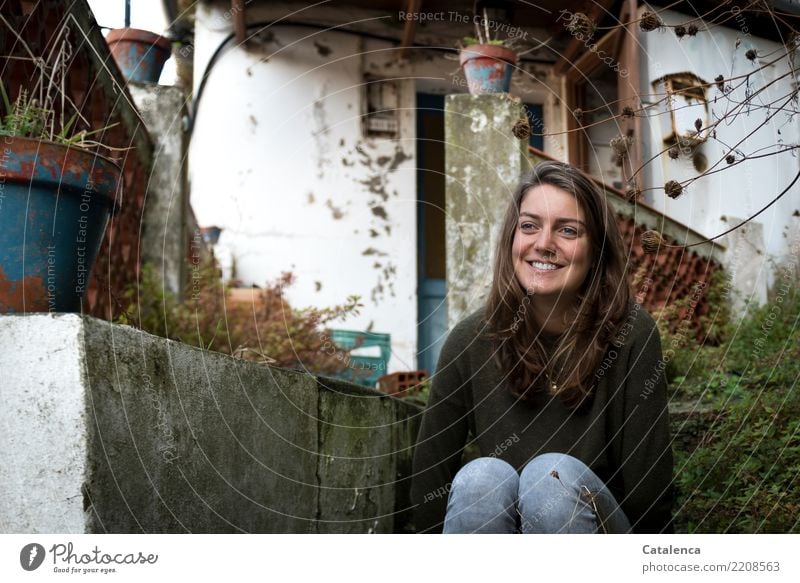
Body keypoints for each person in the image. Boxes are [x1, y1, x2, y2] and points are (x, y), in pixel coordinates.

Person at [410, 161, 674, 534]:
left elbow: (649, 489)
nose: (544, 244)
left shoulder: (630, 334)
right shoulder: (471, 339)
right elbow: (429, 479)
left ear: (596, 249)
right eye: (529, 226)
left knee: (549, 476)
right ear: (512, 239)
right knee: (482, 477)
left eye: (568, 230)